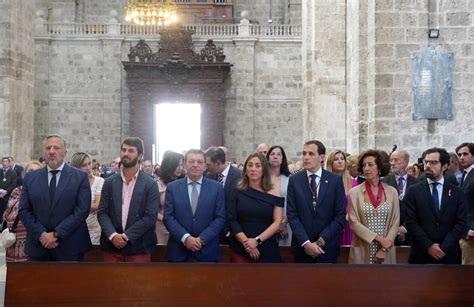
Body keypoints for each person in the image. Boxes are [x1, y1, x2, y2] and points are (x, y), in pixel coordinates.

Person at [19, 134, 92, 261]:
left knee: (70, 281)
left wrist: (57, 234)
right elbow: (24, 210)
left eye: (56, 148)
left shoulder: (79, 177)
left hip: (70, 246)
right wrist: (42, 234)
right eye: (48, 148)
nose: (52, 151)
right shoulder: (31, 178)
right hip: (38, 246)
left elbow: (82, 211)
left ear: (65, 152)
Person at [98, 137, 159, 262]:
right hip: (111, 246)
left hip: (139, 246)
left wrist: (126, 236)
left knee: (138, 282)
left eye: (131, 151)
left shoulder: (150, 184)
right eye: (124, 150)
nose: (126, 153)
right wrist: (113, 235)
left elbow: (150, 217)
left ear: (140, 156)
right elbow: (102, 212)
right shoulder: (109, 182)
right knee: (111, 281)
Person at [287, 140, 346, 263]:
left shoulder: (334, 181)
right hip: (302, 248)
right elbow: (292, 215)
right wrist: (306, 243)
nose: (306, 157)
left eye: (311, 154)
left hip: (327, 248)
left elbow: (339, 216)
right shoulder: (294, 180)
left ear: (322, 157)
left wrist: (320, 241)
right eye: (304, 154)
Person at [405, 147, 467, 264]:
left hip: (449, 254)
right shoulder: (413, 191)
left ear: (444, 166)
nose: (428, 165)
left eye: (433, 162)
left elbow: (460, 223)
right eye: (426, 162)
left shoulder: (457, 192)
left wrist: (444, 247)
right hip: (421, 254)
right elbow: (411, 222)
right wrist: (429, 246)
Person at [164, 149, 225, 262]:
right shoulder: (173, 187)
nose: (195, 165)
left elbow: (220, 218)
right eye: (191, 161)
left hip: (207, 251)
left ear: (205, 166)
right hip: (179, 250)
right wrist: (185, 238)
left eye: (199, 162)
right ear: (185, 165)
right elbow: (168, 217)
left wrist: (201, 240)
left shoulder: (216, 188)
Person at [228, 153, 284, 262]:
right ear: (245, 169)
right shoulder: (236, 190)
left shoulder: (275, 192)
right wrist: (247, 244)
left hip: (267, 246)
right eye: (250, 165)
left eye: (258, 166)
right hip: (240, 247)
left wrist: (257, 241)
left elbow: (277, 222)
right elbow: (231, 219)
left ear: (264, 170)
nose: (253, 169)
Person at [347, 150, 400, 264]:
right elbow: (354, 222)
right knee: (361, 281)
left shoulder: (392, 192)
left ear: (380, 168)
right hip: (363, 248)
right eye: (364, 165)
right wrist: (379, 239)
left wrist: (384, 248)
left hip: (386, 249)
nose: (366, 168)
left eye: (370, 165)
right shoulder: (354, 193)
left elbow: (395, 222)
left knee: (386, 281)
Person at [2, 161, 43, 262]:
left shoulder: (43, 193)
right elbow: (7, 213)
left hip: (32, 241)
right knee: (14, 273)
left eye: (37, 172)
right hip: (14, 239)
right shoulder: (17, 191)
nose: (33, 174)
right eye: (30, 171)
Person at [204, 146, 242, 244]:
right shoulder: (209, 176)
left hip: (232, 231)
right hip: (212, 230)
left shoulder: (239, 176)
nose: (206, 167)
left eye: (208, 164)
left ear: (218, 163)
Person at [382, 149, 419, 246]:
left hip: (412, 232)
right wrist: (395, 229)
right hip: (388, 233)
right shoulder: (383, 183)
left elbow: (420, 209)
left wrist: (404, 228)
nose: (392, 163)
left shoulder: (418, 183)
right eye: (391, 160)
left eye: (396, 160)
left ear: (406, 162)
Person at [70, 152, 104, 245]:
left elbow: (97, 205)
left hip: (94, 228)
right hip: (75, 228)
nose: (88, 167)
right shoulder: (71, 183)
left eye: (89, 163)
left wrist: (77, 206)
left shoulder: (99, 181)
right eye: (84, 165)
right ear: (76, 167)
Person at [325, 150, 356, 246]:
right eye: (336, 159)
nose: (340, 161)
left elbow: (355, 205)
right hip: (329, 224)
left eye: (342, 159)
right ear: (330, 162)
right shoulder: (325, 182)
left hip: (348, 224)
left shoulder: (353, 183)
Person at [155, 151, 184, 245]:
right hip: (163, 225)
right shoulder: (158, 185)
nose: (180, 168)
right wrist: (168, 221)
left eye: (181, 165)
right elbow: (153, 211)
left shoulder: (184, 182)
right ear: (169, 165)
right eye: (176, 165)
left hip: (182, 225)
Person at [266, 145, 292, 246]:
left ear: (283, 158)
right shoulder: (262, 178)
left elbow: (293, 203)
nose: (275, 156)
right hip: (265, 223)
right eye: (272, 154)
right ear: (268, 158)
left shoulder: (290, 179)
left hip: (286, 223)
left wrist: (283, 223)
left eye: (279, 154)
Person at [456, 142, 474, 264]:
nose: (461, 157)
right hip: (464, 231)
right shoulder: (465, 174)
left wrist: (472, 227)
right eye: (459, 154)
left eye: (465, 154)